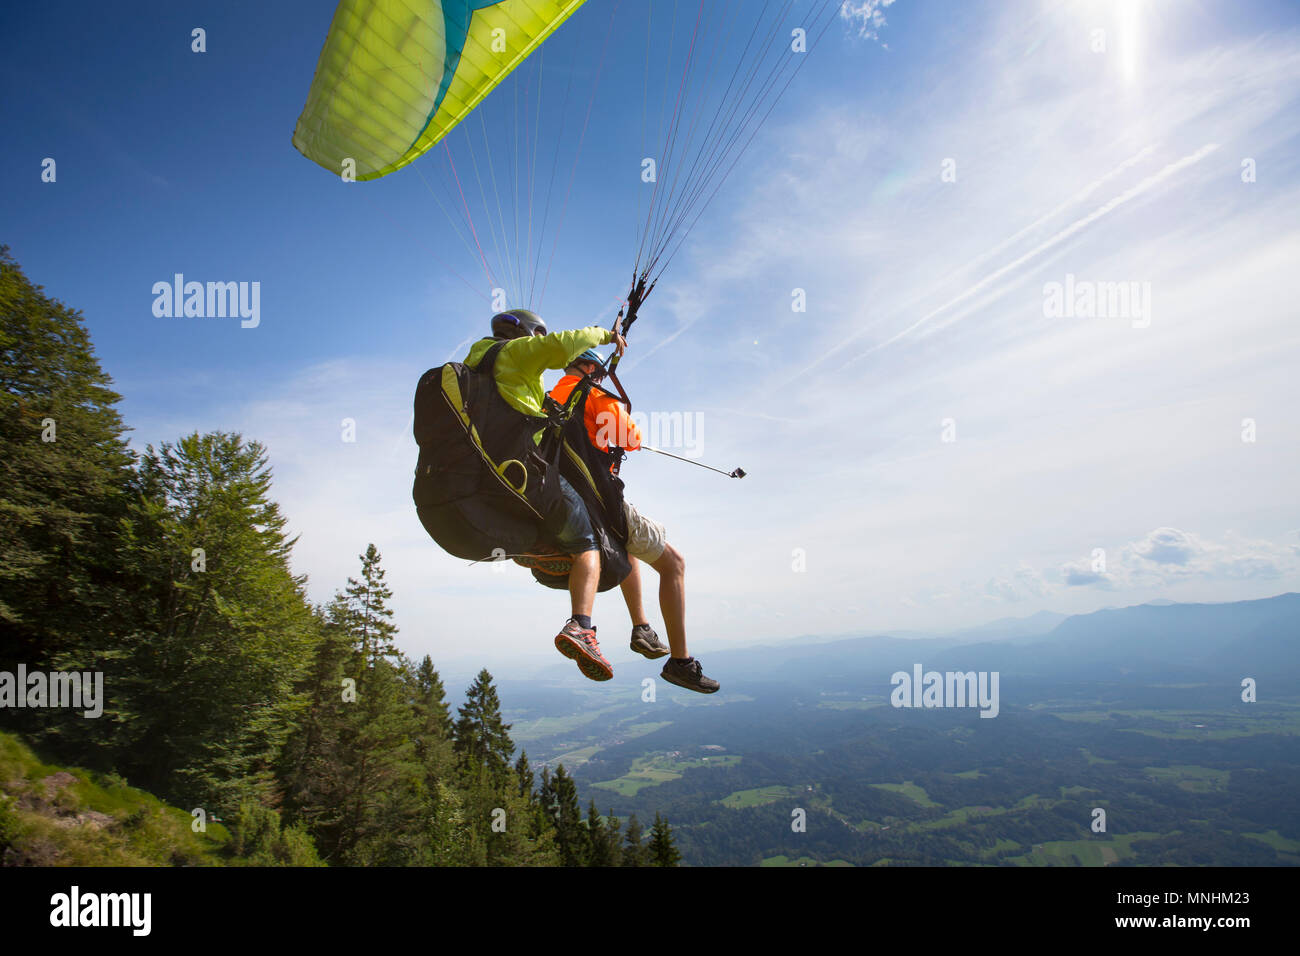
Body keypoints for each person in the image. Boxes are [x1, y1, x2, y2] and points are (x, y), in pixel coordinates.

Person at [415, 309, 626, 683]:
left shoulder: (479, 369)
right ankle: (581, 626)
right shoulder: (513, 354)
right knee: (588, 542)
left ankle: (542, 552)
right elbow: (561, 345)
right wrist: (607, 336)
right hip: (525, 474)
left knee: (551, 525)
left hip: (486, 481)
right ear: (527, 334)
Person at [549, 350, 720, 694]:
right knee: (674, 564)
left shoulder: (549, 399)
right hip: (600, 499)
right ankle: (681, 662)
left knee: (628, 545)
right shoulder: (593, 394)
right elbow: (631, 439)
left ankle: (642, 627)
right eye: (597, 373)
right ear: (590, 369)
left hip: (565, 501)